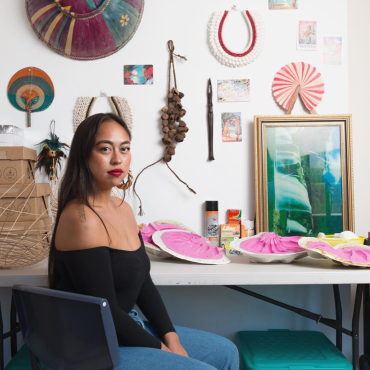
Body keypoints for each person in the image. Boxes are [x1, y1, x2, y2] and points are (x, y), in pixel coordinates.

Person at [48, 113, 239, 370]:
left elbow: (143, 283)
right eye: (105, 149)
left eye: (124, 149)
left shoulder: (123, 208)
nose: (117, 159)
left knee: (226, 352)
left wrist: (173, 340)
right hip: (88, 345)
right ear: (84, 156)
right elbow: (104, 311)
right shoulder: (82, 218)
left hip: (124, 326)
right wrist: (164, 352)